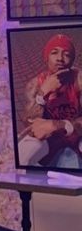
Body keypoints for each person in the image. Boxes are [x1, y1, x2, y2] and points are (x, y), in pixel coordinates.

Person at [22, 33, 82, 169]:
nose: (60, 59)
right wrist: (42, 93)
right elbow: (29, 121)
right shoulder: (35, 84)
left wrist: (60, 125)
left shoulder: (79, 80)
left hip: (76, 136)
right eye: (54, 53)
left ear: (72, 60)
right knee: (22, 152)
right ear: (46, 58)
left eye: (66, 54)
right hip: (50, 140)